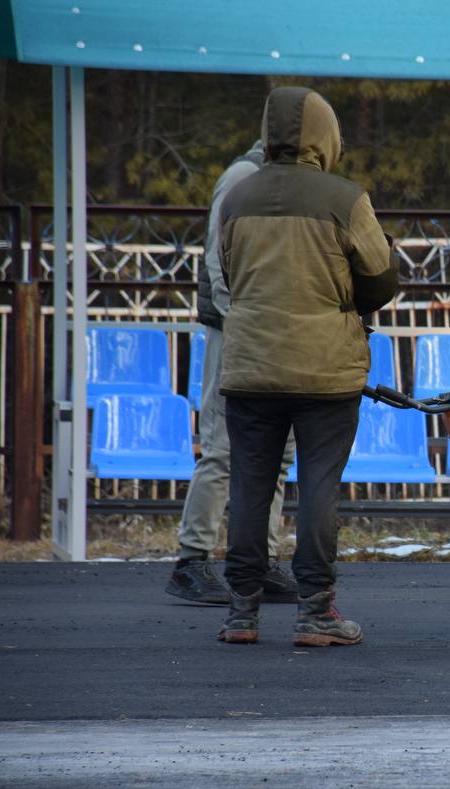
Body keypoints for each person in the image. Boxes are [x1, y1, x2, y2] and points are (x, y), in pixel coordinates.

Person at [215, 86, 397, 646]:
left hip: (250, 365)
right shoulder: (344, 199)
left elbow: (229, 274)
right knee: (318, 487)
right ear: (326, 136)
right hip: (326, 371)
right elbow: (380, 282)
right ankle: (316, 611)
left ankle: (241, 613)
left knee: (250, 485)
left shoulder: (236, 199)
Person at [167, 140, 298, 606]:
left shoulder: (282, 178)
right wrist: (238, 321)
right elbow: (217, 259)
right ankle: (192, 560)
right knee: (223, 447)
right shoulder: (245, 177)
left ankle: (263, 561)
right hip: (238, 330)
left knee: (278, 451)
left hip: (272, 330)